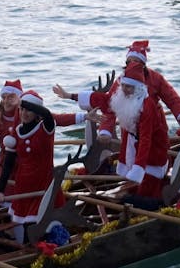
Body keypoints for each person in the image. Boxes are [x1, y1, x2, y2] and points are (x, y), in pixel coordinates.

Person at [55, 62, 170, 203]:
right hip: (133, 145)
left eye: (129, 87)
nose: (125, 89)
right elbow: (102, 100)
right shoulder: (121, 95)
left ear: (138, 88)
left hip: (153, 149)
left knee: (146, 192)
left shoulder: (148, 106)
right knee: (131, 185)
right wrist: (70, 96)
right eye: (124, 85)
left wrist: (138, 168)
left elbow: (146, 140)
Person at [0, 90, 82, 242]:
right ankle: (29, 252)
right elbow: (8, 164)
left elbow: (46, 114)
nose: (25, 113)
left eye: (29, 110)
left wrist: (23, 102)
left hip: (43, 187)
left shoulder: (46, 128)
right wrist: (0, 190)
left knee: (38, 227)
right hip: (23, 188)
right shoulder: (16, 133)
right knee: (26, 231)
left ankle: (48, 249)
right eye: (22, 110)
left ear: (36, 112)